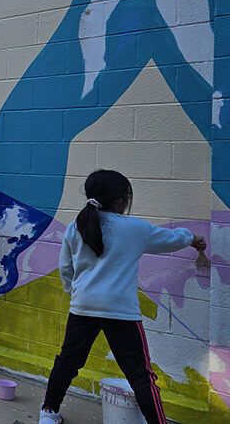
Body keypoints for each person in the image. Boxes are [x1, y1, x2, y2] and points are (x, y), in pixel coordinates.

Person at [39, 170, 207, 424]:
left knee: (68, 362)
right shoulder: (134, 228)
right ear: (120, 200)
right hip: (121, 312)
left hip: (83, 307)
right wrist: (192, 238)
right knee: (140, 376)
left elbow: (66, 269)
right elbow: (170, 240)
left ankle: (48, 413)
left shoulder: (77, 227)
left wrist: (77, 294)